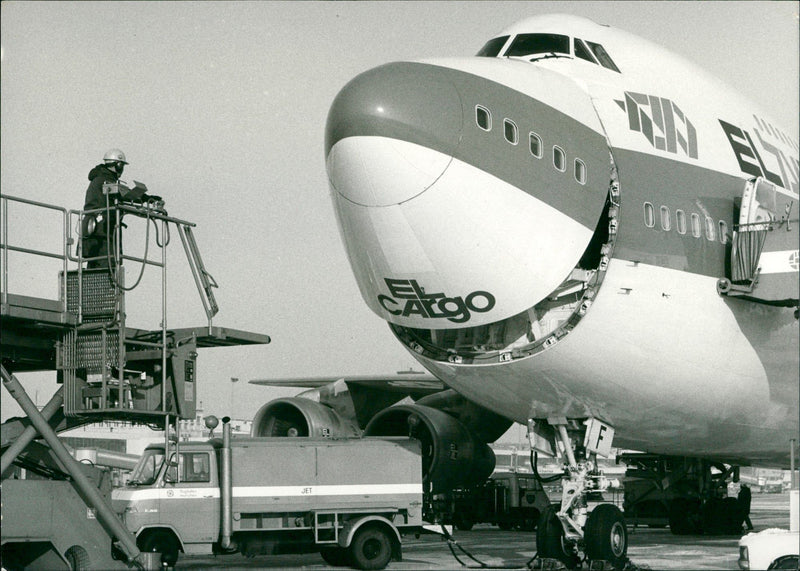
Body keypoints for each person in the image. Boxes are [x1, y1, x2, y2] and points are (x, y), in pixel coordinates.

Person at [82, 149, 128, 268]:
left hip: (96, 233)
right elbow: (124, 193)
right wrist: (143, 198)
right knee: (107, 268)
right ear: (117, 165)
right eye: (121, 166)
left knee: (95, 270)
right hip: (103, 233)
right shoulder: (105, 180)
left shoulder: (101, 178)